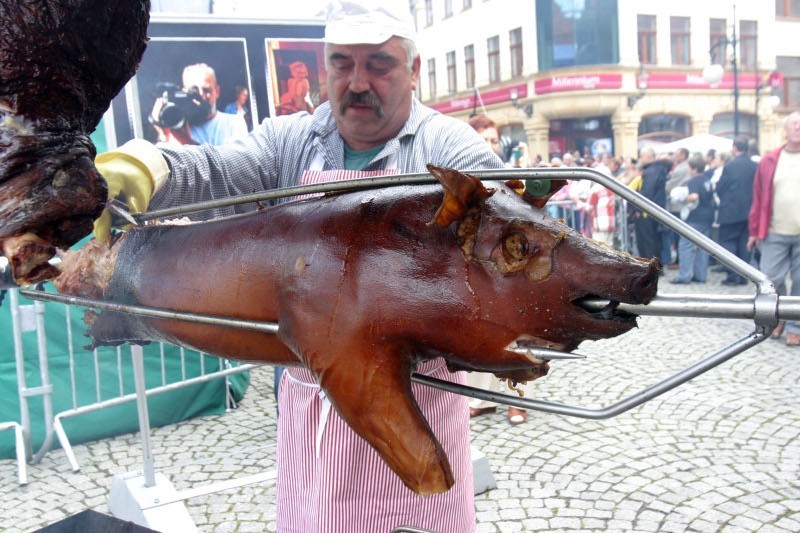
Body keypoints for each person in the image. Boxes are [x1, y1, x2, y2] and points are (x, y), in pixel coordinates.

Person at [91, 1, 504, 530]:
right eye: (342, 63)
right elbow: (221, 172)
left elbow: (502, 240)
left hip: (412, 401)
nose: (357, 82)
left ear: (414, 70)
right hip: (309, 407)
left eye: (378, 64)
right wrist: (154, 167)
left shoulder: (446, 148)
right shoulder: (293, 142)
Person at [464, 114, 527, 425]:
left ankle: (518, 399)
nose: (488, 146)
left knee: (514, 332)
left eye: (492, 140)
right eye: (482, 140)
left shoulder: (510, 178)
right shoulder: (463, 179)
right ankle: (481, 398)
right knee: (477, 332)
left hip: (507, 266)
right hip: (474, 266)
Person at [748, 111, 800, 346]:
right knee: (772, 280)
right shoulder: (771, 160)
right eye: (795, 124)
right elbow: (759, 197)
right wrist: (754, 229)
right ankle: (777, 319)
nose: (798, 128)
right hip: (775, 230)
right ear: (786, 129)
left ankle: (795, 325)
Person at [152, 62, 248, 146]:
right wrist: (164, 135)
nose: (201, 95)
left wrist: (185, 141)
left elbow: (232, 164)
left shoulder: (234, 124)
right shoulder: (178, 125)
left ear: (217, 91)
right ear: (184, 92)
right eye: (194, 91)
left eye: (206, 90)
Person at [716, 136, 757, 286]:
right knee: (744, 244)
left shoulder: (730, 166)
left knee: (728, 243)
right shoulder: (754, 165)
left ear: (735, 148)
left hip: (730, 210)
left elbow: (720, 187)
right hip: (749, 210)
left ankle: (733, 275)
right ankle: (744, 275)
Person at [669, 154, 714, 284]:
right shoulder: (707, 179)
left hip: (696, 215)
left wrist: (682, 199)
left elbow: (694, 197)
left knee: (685, 245)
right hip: (707, 215)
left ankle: (684, 275)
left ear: (693, 168)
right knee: (702, 246)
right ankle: (701, 275)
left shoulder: (694, 180)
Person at [633, 146, 671, 263]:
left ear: (648, 156)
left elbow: (647, 193)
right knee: (655, 241)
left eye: (641, 156)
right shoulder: (658, 169)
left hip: (647, 213)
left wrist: (638, 209)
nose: (640, 159)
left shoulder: (652, 171)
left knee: (648, 242)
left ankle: (651, 267)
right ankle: (655, 265)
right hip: (654, 211)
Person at [664, 147, 691, 268]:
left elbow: (669, 186)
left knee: (677, 235)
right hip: (677, 205)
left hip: (678, 206)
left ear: (683, 155)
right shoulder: (681, 167)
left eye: (677, 154)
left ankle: (679, 260)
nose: (675, 156)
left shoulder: (682, 169)